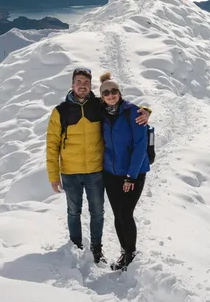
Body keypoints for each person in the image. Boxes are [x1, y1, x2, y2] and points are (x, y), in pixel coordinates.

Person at [46, 67, 150, 264]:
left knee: (98, 212)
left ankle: (97, 249)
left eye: (86, 83)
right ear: (72, 85)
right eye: (79, 82)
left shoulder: (98, 106)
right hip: (71, 171)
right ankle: (76, 247)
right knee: (73, 211)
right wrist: (53, 175)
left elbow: (125, 110)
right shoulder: (60, 111)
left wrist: (146, 112)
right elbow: (52, 145)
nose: (82, 86)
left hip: (95, 170)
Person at [99, 71, 150, 271]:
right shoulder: (101, 112)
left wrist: (131, 176)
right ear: (102, 96)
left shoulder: (134, 113)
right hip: (110, 173)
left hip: (132, 173)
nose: (111, 95)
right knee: (118, 215)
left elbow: (140, 146)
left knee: (126, 213)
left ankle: (131, 254)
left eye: (114, 91)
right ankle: (124, 252)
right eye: (106, 93)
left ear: (120, 93)